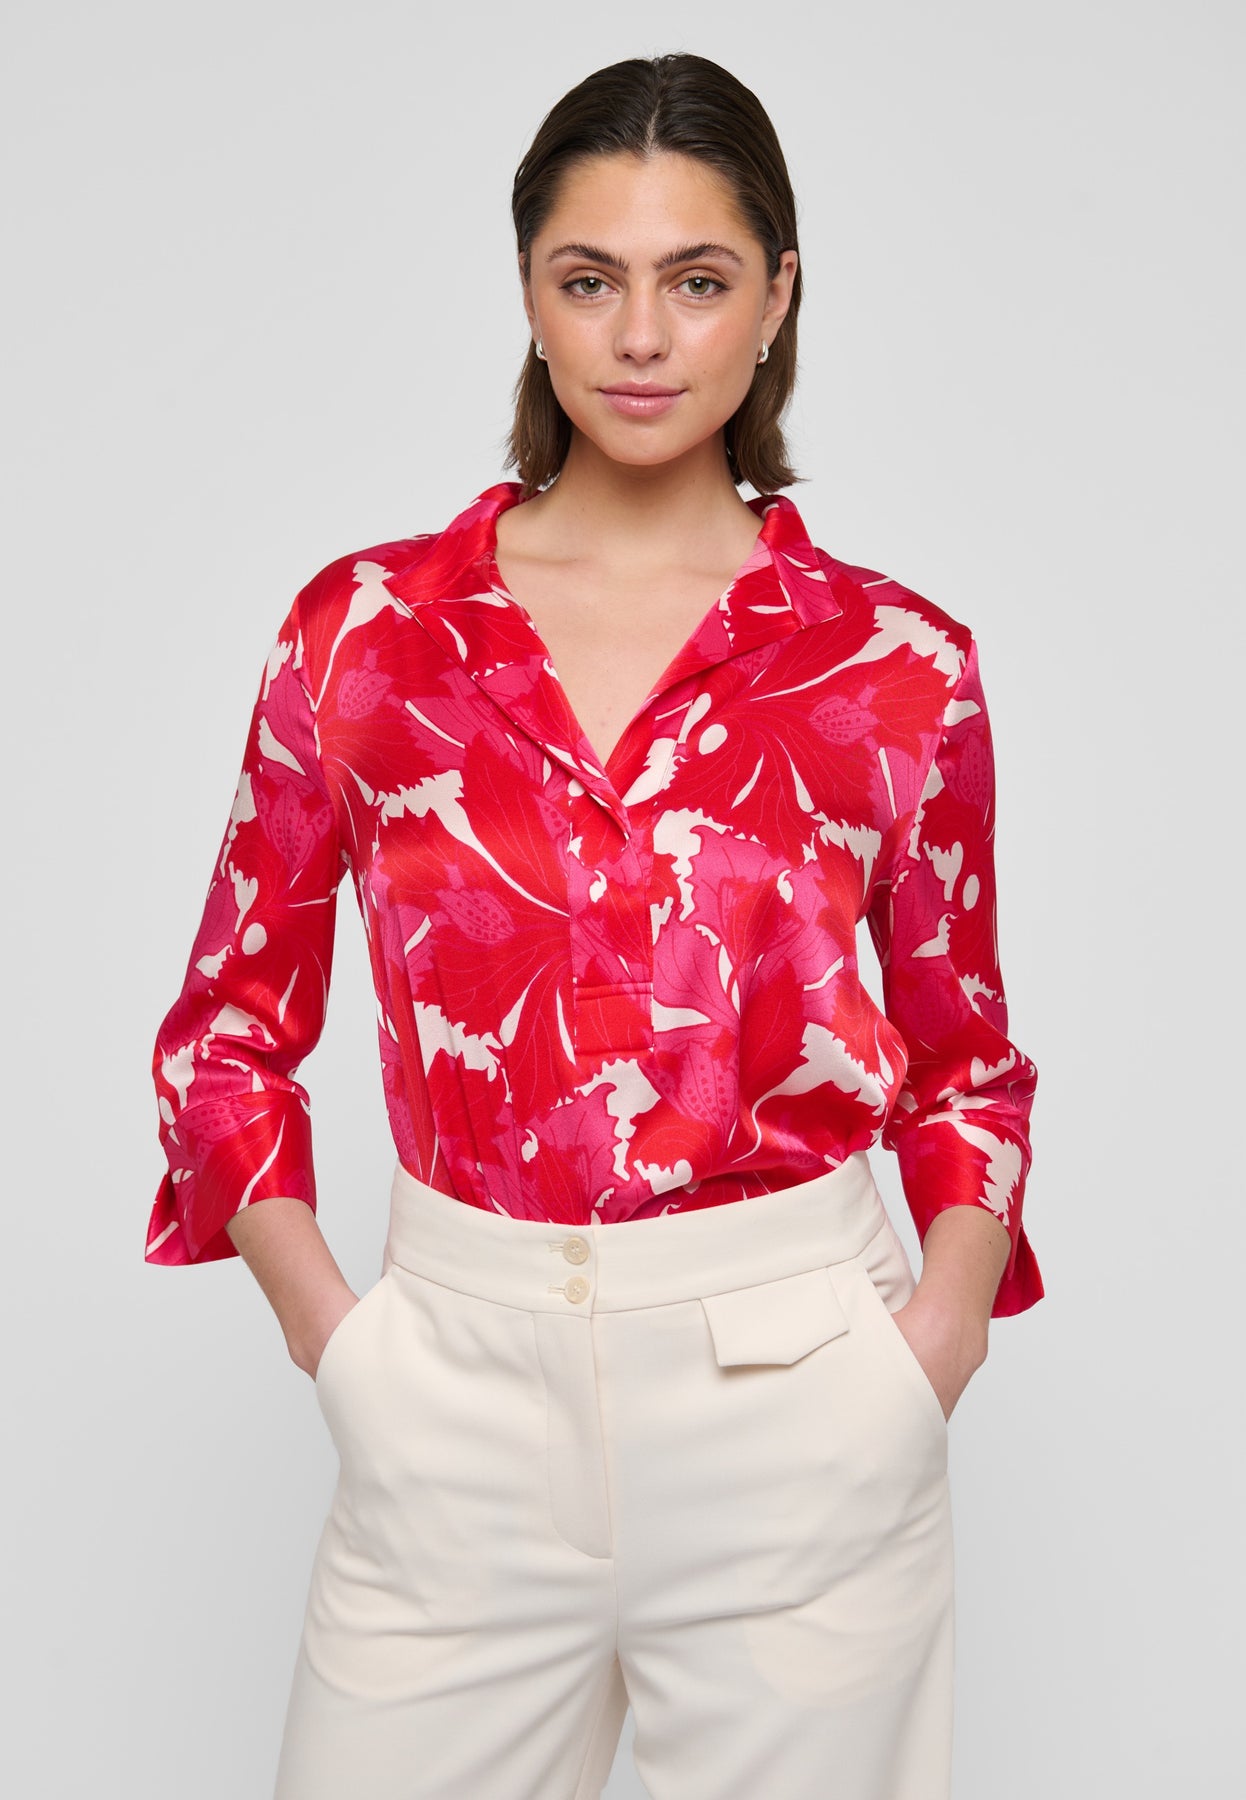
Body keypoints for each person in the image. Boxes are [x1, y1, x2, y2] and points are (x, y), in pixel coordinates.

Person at [147, 50, 1042, 1800]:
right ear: (528, 297)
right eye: (589, 279)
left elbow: (965, 1061)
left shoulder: (893, 665)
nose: (640, 336)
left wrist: (931, 1344)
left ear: (775, 298)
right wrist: (342, 1343)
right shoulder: (367, 636)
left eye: (695, 280)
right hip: (452, 1390)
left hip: (799, 1387)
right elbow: (224, 1034)